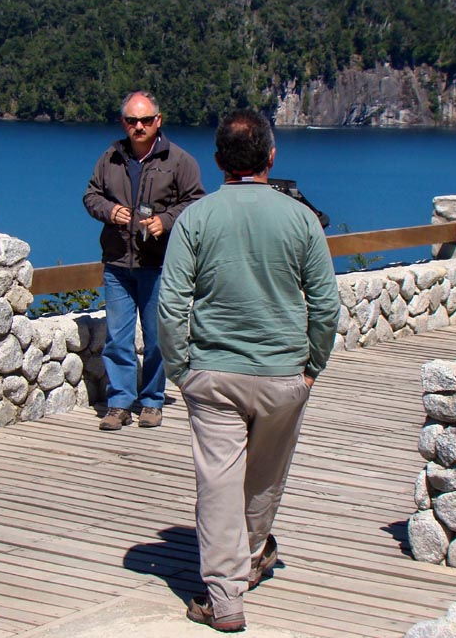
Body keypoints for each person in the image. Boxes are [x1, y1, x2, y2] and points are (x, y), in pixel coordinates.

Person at [157, 109, 341, 633]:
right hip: (285, 375)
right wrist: (312, 368)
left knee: (218, 485)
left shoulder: (196, 218)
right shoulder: (301, 219)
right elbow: (326, 306)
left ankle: (225, 599)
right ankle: (254, 555)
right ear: (271, 157)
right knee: (264, 479)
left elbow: (171, 304)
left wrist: (180, 369)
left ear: (219, 161)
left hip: (213, 373)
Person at [83, 91, 205, 431]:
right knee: (117, 339)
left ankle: (152, 400)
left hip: (158, 263)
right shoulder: (110, 157)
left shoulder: (179, 161)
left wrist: (165, 221)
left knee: (156, 339)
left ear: (158, 121)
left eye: (146, 120)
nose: (139, 126)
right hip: (117, 263)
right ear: (123, 122)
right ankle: (119, 403)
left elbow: (196, 201)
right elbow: (91, 196)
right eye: (132, 121)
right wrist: (109, 211)